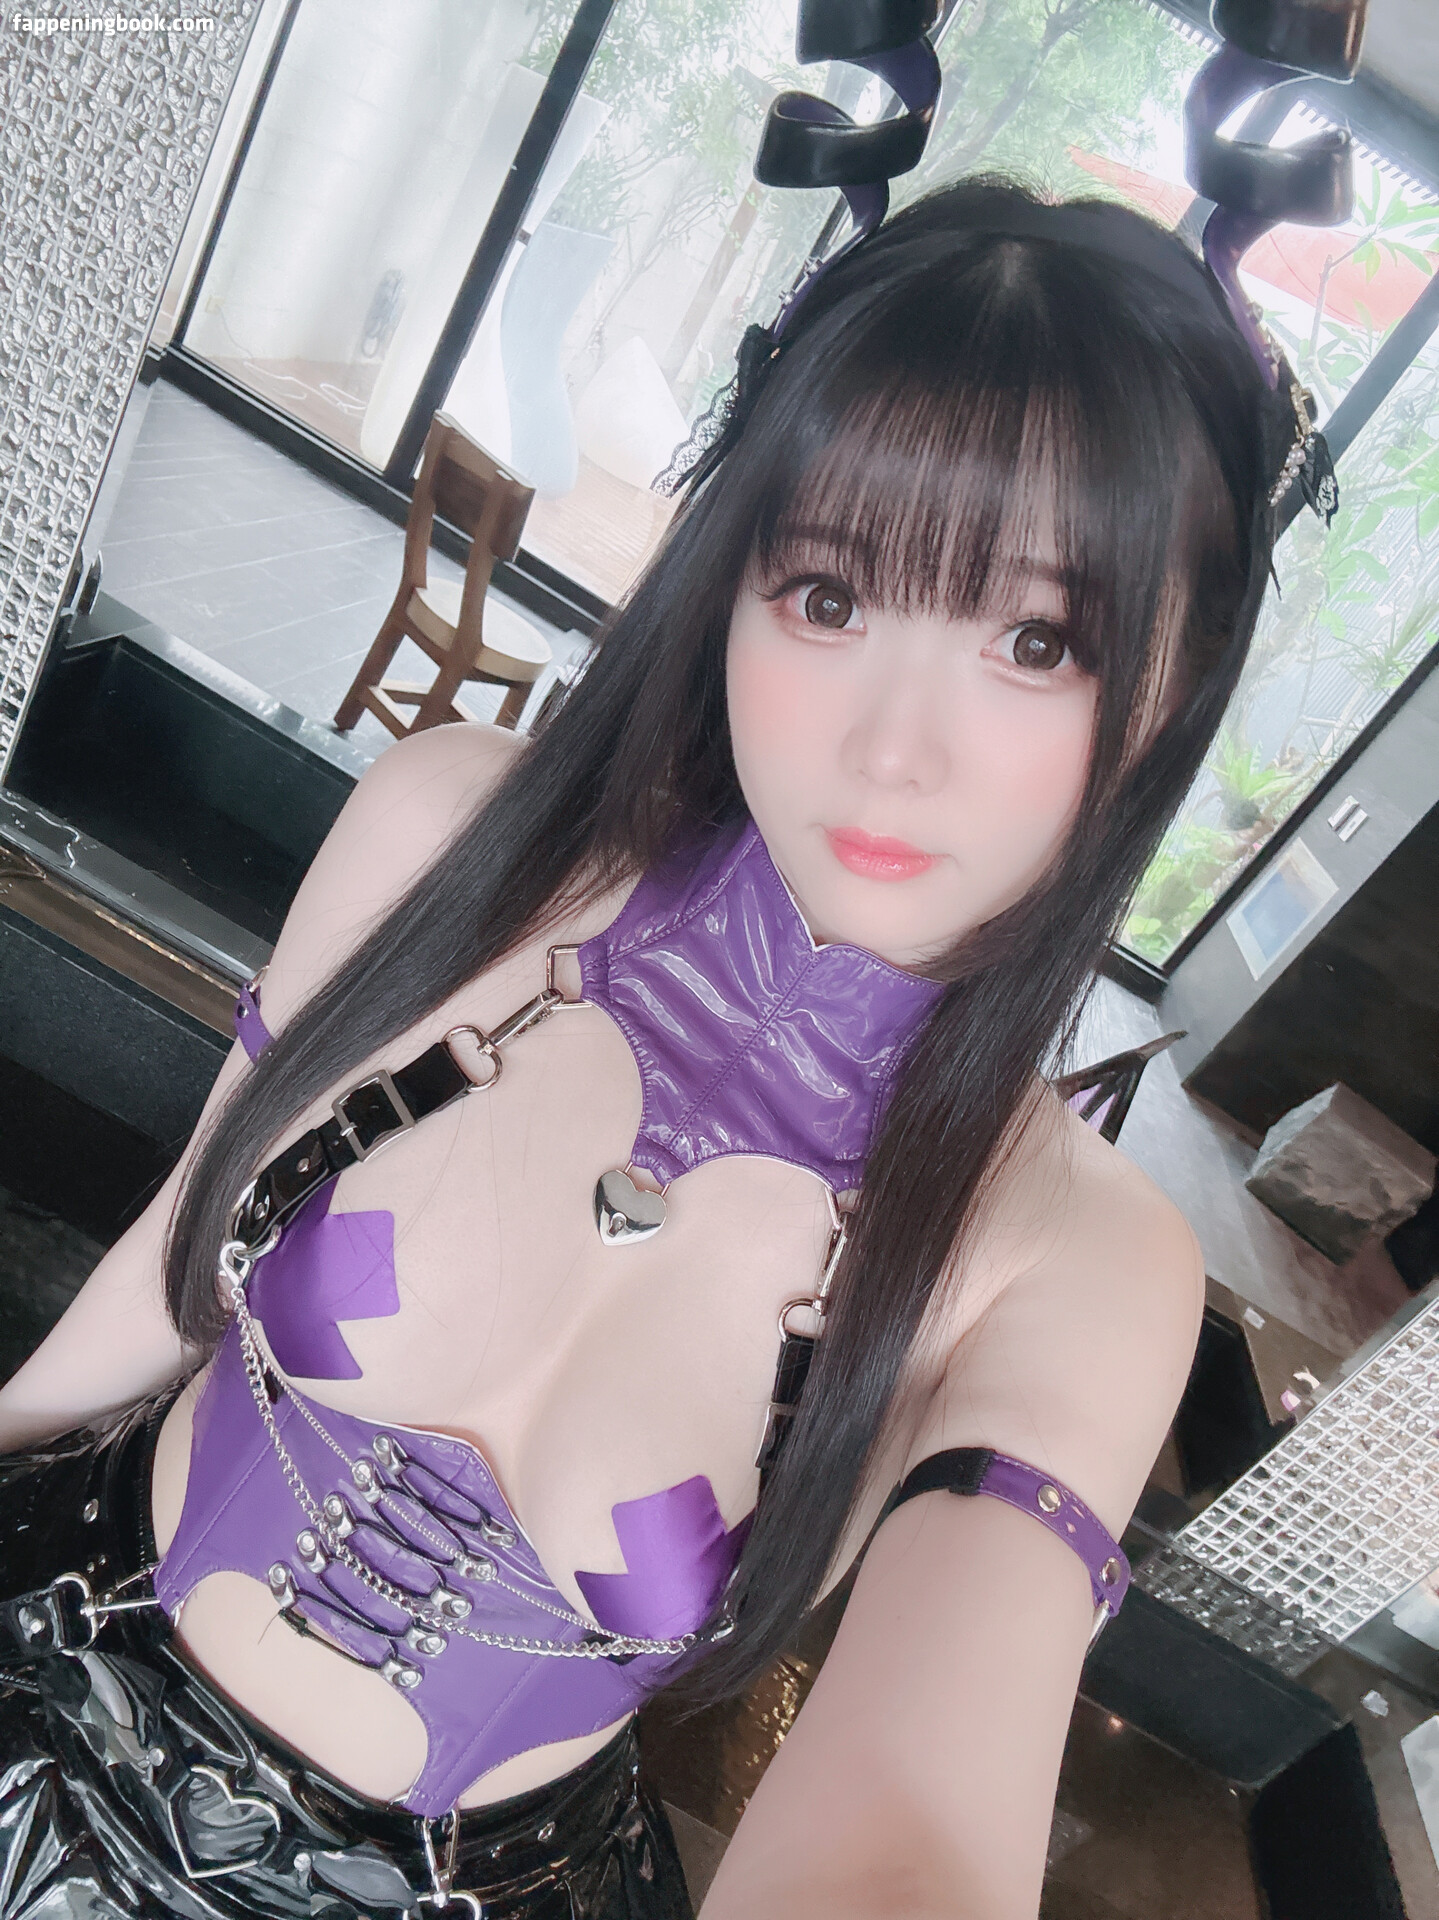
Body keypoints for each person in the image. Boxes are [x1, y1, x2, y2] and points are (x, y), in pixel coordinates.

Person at [0, 173, 1309, 1918]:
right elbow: (173, 1265)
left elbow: (915, 1835)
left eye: (1034, 640)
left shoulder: (1073, 1260)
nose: (891, 749)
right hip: (53, 1654)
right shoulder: (452, 830)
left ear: (1173, 684)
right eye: (829, 596)